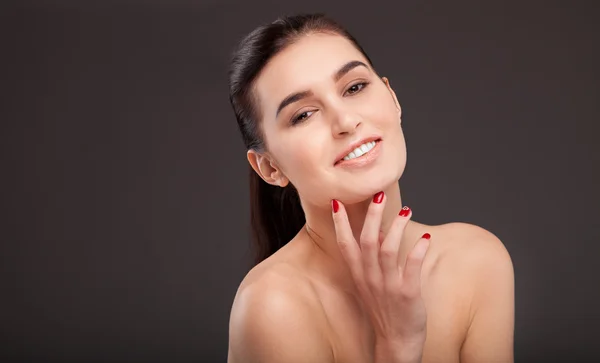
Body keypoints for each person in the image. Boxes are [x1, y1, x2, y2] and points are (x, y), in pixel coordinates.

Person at [226, 13, 514, 363]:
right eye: (303, 114)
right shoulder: (272, 306)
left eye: (354, 87)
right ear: (269, 168)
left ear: (392, 98)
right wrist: (397, 345)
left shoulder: (476, 261)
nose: (346, 121)